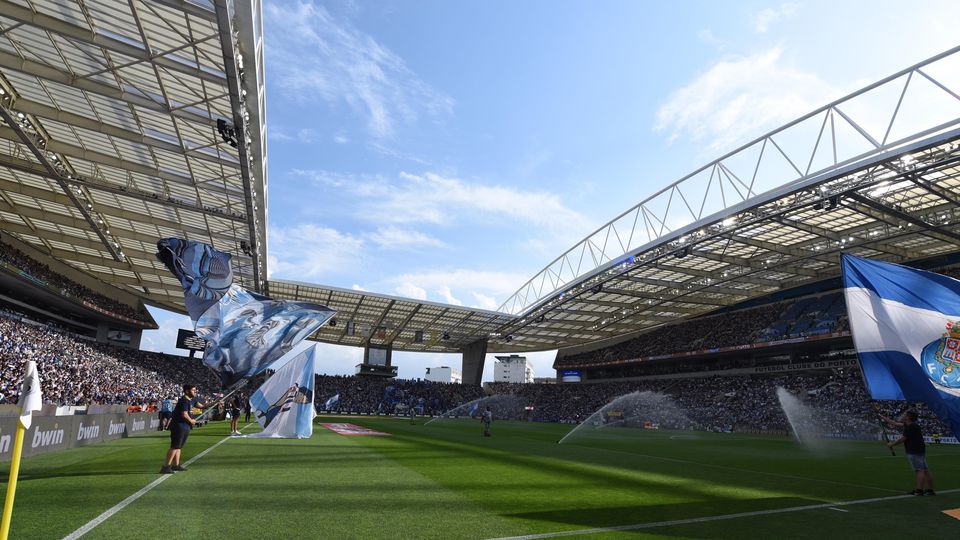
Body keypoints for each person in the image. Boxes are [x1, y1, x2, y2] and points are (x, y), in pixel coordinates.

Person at [160, 384, 216, 474]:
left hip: (185, 426)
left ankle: (176, 465)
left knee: (179, 447)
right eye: (193, 390)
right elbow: (184, 414)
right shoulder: (184, 400)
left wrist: (215, 402)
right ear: (187, 391)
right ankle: (166, 466)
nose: (195, 392)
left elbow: (202, 406)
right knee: (175, 446)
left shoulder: (192, 400)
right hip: (179, 425)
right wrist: (192, 421)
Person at [882, 410, 935, 496]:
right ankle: (930, 490)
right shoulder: (910, 425)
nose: (903, 415)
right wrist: (883, 418)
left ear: (908, 417)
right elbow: (895, 423)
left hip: (914, 451)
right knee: (925, 470)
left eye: (904, 414)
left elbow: (902, 439)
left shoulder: (911, 427)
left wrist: (891, 444)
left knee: (919, 470)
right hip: (919, 450)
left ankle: (919, 490)